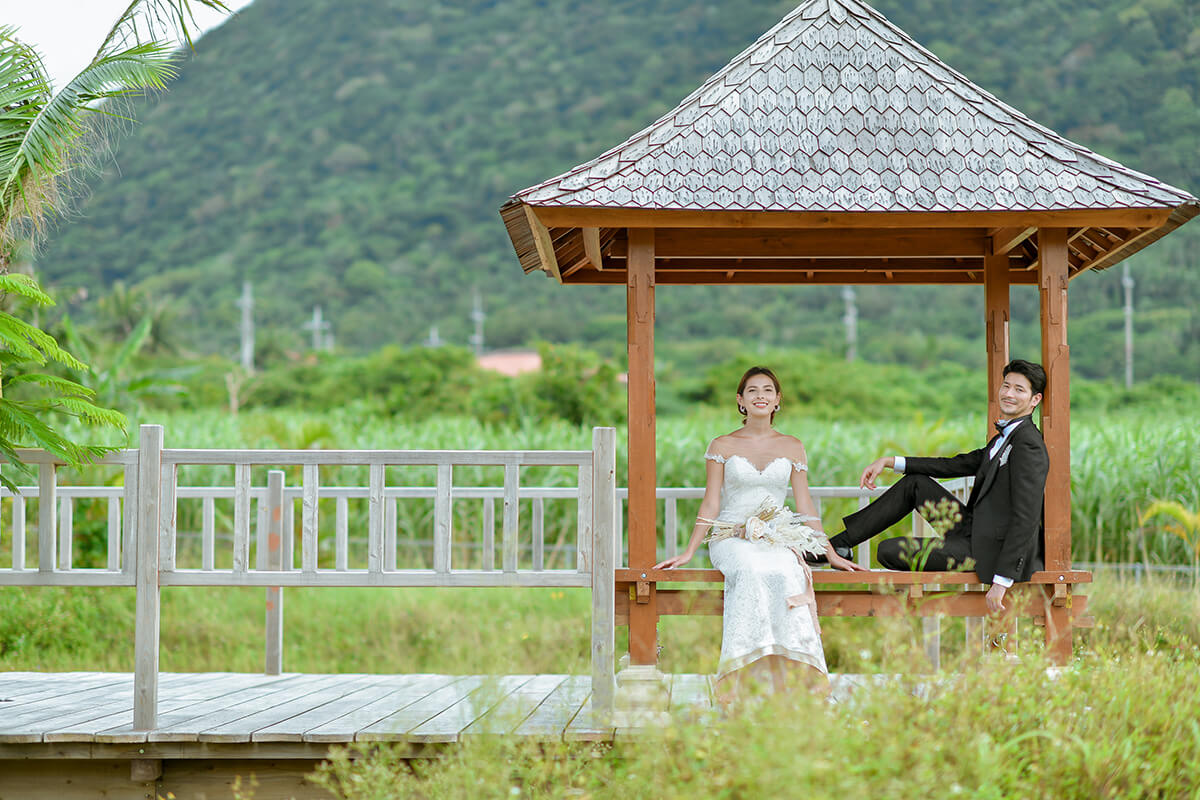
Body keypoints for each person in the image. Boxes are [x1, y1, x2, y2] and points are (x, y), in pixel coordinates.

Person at [654, 366, 863, 699]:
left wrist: (831, 553)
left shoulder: (793, 446)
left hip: (777, 537)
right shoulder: (721, 445)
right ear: (741, 400)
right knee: (751, 569)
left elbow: (805, 505)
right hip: (731, 537)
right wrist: (690, 551)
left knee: (785, 569)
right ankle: (743, 674)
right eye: (752, 390)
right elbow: (710, 502)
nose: (760, 396)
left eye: (768, 390)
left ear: (778, 400)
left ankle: (788, 680)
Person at [826, 359, 1050, 614]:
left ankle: (838, 548)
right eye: (1006, 386)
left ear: (1035, 400)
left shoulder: (1028, 445)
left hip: (985, 551)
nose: (1008, 394)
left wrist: (1002, 580)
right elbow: (954, 465)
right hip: (971, 530)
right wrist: (890, 462)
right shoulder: (1006, 437)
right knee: (916, 483)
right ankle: (837, 545)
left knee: (888, 550)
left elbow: (1026, 516)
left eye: (1019, 390)